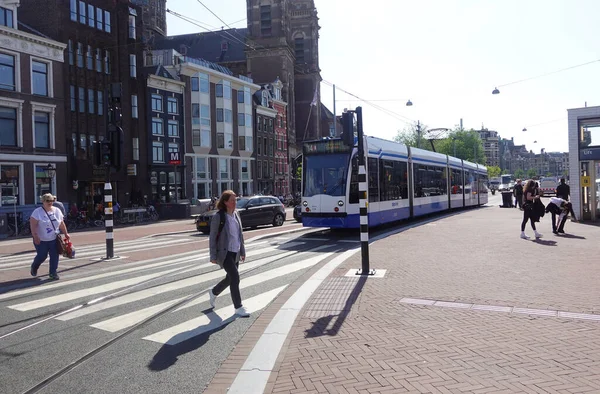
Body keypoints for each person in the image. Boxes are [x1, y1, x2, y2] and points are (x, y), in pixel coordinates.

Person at [207, 190, 249, 317]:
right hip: (224, 254)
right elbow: (213, 237)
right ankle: (238, 307)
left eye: (235, 200)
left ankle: (214, 292)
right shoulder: (218, 217)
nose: (235, 202)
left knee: (230, 278)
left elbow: (239, 235)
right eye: (232, 200)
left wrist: (242, 251)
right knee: (235, 277)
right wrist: (213, 256)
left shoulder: (236, 215)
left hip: (235, 252)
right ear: (225, 202)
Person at [29, 193, 70, 280]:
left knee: (55, 255)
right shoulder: (37, 212)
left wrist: (66, 233)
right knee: (42, 255)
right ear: (43, 201)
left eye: (52, 200)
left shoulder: (57, 211)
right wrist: (35, 236)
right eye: (48, 201)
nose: (50, 202)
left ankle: (53, 273)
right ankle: (34, 266)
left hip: (54, 239)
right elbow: (33, 225)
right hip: (41, 239)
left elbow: (61, 223)